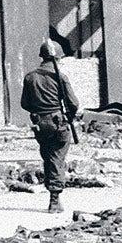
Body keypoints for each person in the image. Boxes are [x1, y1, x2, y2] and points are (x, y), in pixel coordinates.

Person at [20, 39, 80, 214]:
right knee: (56, 158)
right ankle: (54, 198)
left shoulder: (30, 77)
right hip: (58, 122)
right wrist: (68, 115)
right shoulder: (60, 77)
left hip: (40, 123)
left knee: (49, 157)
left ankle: (53, 192)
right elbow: (73, 103)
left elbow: (25, 103)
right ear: (58, 57)